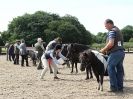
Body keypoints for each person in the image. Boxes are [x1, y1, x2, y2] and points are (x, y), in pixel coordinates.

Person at [100, 19, 125, 92]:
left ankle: (114, 87)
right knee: (120, 70)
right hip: (121, 52)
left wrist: (103, 50)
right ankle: (120, 87)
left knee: (110, 68)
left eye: (105, 25)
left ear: (109, 24)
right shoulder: (118, 30)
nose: (105, 27)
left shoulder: (112, 31)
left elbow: (111, 43)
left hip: (115, 53)